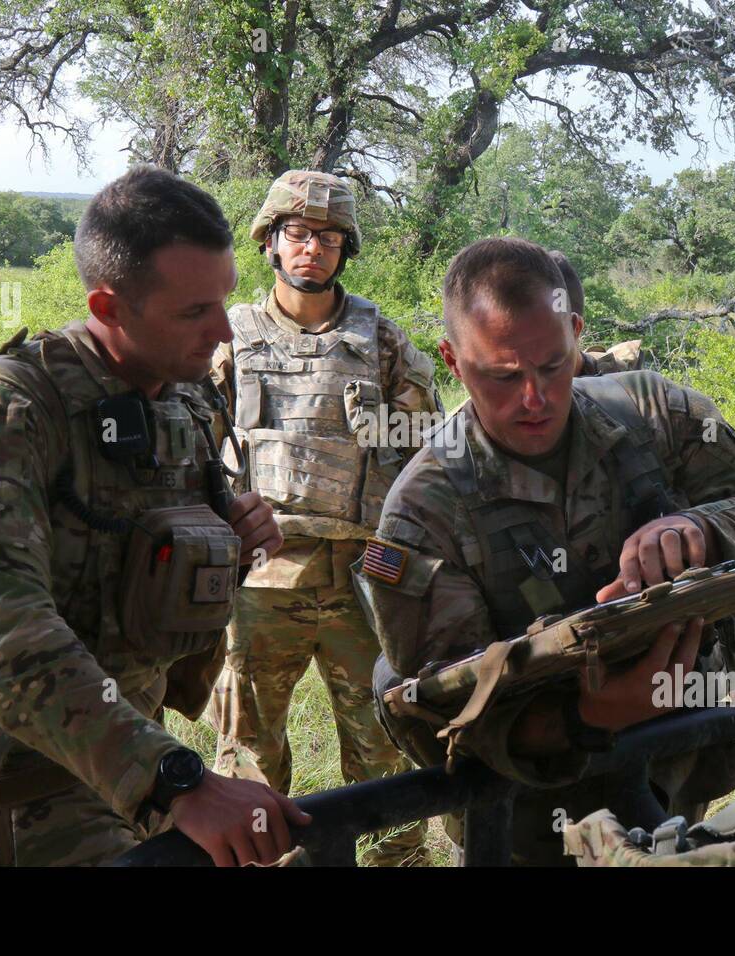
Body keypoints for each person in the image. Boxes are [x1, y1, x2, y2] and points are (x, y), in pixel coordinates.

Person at [0, 165, 309, 866]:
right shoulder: (8, 411)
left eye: (225, 301)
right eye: (194, 311)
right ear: (109, 308)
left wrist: (231, 537)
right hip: (36, 771)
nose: (225, 330)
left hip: (135, 745)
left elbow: (148, 543)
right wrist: (179, 785)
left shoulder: (188, 395)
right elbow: (4, 640)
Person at [354, 236, 735, 864]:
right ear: (452, 360)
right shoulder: (422, 513)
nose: (534, 398)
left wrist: (700, 530)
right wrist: (592, 714)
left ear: (577, 333)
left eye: (553, 365)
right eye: (502, 377)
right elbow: (449, 707)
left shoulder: (657, 414)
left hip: (678, 760)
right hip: (529, 808)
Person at [208, 170, 438, 865]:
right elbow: (191, 455)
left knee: (390, 749)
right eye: (299, 234)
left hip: (362, 581)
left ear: (346, 250)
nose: (313, 248)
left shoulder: (384, 341)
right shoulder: (230, 341)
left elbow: (429, 459)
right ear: (271, 243)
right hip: (258, 583)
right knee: (247, 760)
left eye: (329, 237)